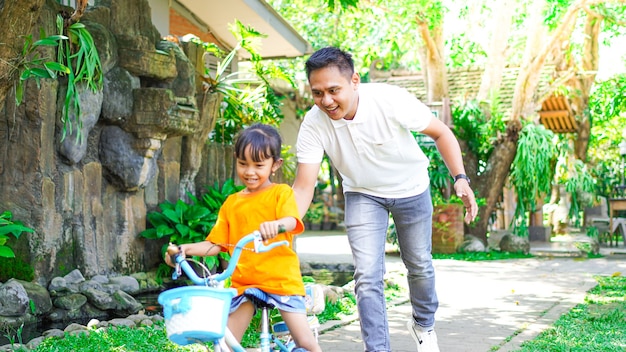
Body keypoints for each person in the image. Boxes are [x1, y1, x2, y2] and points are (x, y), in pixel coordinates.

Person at [292, 47, 478, 352]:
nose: (326, 100)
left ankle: (424, 325)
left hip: (411, 188)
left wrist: (461, 179)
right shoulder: (314, 124)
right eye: (317, 93)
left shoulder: (389, 100)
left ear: (354, 81)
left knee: (419, 264)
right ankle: (377, 349)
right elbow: (303, 187)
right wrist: (289, 221)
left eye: (333, 90)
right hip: (363, 193)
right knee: (366, 275)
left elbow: (441, 133)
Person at [165, 123, 321, 352]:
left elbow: (291, 221)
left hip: (281, 280)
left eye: (258, 165)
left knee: (306, 343)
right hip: (244, 283)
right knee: (226, 344)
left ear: (275, 165)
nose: (250, 172)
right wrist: (184, 249)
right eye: (243, 164)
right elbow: (214, 244)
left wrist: (276, 225)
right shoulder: (232, 203)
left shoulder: (281, 193)